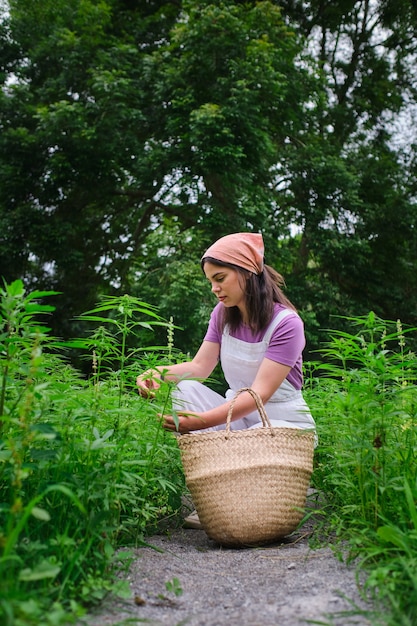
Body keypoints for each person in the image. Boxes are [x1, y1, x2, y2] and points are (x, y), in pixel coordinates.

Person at [136, 232, 316, 527]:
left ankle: (264, 497)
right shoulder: (222, 315)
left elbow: (260, 394)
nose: (214, 288)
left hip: (281, 423)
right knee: (185, 389)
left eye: (220, 278)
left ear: (247, 271)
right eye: (210, 281)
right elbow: (200, 366)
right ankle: (215, 499)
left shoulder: (287, 324)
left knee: (258, 448)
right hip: (238, 416)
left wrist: (201, 422)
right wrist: (158, 374)